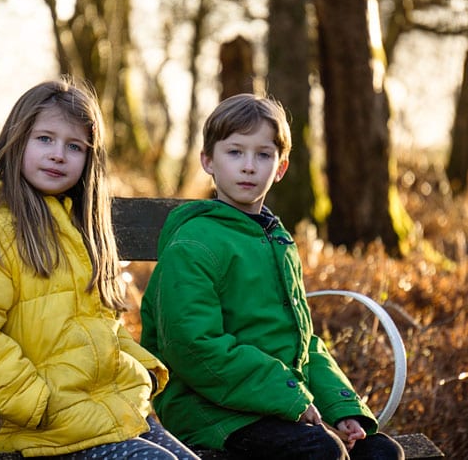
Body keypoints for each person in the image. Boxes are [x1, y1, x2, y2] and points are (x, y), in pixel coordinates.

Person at [0, 78, 199, 459]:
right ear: (16, 141)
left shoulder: (81, 230)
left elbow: (102, 326)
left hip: (106, 411)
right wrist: (34, 400)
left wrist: (141, 368)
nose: (58, 154)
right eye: (44, 139)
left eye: (74, 146)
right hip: (46, 429)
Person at [140, 93, 405, 459]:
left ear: (280, 168)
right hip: (210, 411)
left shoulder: (276, 241)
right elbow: (192, 345)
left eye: (263, 155)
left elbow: (303, 343)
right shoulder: (193, 243)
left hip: (277, 401)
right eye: (235, 153)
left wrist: (341, 408)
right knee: (321, 451)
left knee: (381, 452)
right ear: (208, 161)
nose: (248, 166)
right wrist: (289, 396)